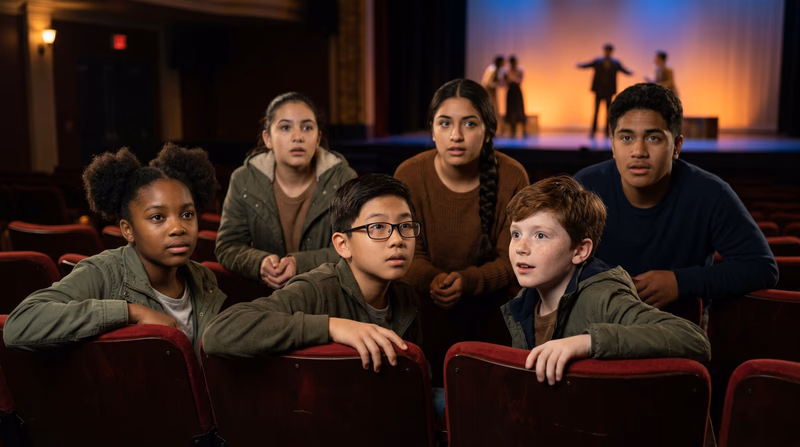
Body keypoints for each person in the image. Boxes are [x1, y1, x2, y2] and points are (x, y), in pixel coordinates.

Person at [3, 144, 226, 354]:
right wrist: (131, 313)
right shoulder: (104, 273)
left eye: (187, 214)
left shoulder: (203, 278)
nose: (178, 228)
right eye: (158, 217)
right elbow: (19, 324)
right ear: (128, 230)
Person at [574, 83, 777, 310]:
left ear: (676, 146)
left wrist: (679, 282)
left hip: (680, 329)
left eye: (653, 138)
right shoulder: (584, 187)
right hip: (595, 323)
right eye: (626, 138)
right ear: (612, 144)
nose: (638, 151)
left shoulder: (711, 193)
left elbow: (762, 267)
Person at [502, 175, 711, 385]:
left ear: (580, 250)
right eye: (516, 234)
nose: (521, 248)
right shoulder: (526, 300)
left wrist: (587, 342)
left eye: (540, 236)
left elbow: (695, 339)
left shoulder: (603, 296)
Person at [203, 174, 422, 373]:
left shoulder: (406, 296)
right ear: (343, 244)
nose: (397, 240)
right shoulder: (317, 289)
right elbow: (219, 333)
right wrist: (332, 326)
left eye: (406, 225)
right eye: (377, 227)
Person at [394, 78, 529, 385]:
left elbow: (516, 259)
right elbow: (401, 252)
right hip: (421, 321)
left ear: (488, 131)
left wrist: (467, 282)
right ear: (431, 130)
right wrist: (434, 280)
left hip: (492, 322)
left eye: (469, 124)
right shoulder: (409, 174)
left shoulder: (511, 176)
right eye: (444, 124)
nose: (456, 135)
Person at [215, 92, 357, 290]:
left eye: (307, 127)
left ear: (318, 138)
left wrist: (300, 264)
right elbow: (227, 246)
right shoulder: (245, 179)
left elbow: (355, 246)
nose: (297, 137)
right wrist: (260, 263)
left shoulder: (343, 179)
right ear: (268, 138)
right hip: (266, 300)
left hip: (327, 294)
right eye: (285, 127)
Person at [577, 43, 633, 138]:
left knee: (608, 112)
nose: (607, 52)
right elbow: (588, 65)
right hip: (599, 90)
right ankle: (593, 131)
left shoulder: (615, 63)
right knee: (596, 111)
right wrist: (580, 65)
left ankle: (606, 132)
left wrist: (629, 72)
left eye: (609, 51)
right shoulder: (598, 61)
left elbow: (623, 70)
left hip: (609, 91)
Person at [504, 55, 526, 138]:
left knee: (519, 109)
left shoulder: (519, 69)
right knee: (510, 110)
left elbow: (520, 80)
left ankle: (523, 130)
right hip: (510, 91)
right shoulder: (507, 70)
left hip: (517, 90)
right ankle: (512, 130)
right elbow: (506, 82)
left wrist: (513, 80)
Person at [480, 54, 505, 119]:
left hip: (492, 91)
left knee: (494, 108)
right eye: (503, 61)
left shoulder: (497, 69)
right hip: (488, 90)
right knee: (489, 107)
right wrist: (497, 84)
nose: (504, 63)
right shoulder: (492, 69)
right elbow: (487, 82)